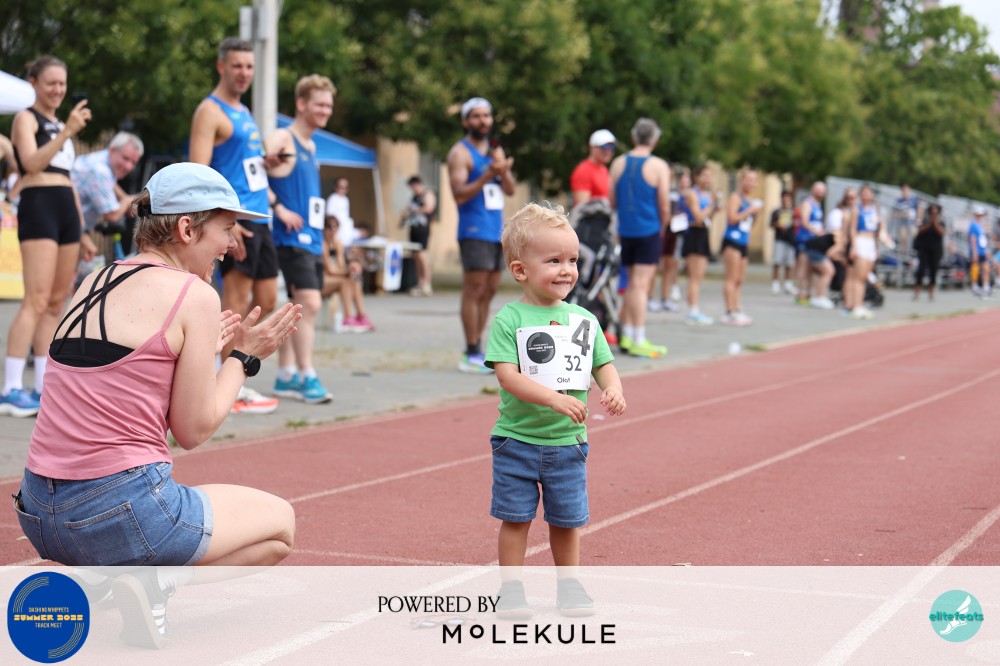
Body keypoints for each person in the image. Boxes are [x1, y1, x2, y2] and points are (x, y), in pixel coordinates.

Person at [12, 162, 301, 646]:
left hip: (39, 512)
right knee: (281, 527)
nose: (233, 244)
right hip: (120, 513)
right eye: (227, 229)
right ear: (187, 228)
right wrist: (243, 359)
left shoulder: (94, 280)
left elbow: (118, 397)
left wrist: (198, 356)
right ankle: (157, 582)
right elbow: (193, 430)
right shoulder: (195, 295)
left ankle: (103, 577)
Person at [484, 202, 625, 618]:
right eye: (554, 261)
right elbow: (508, 376)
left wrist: (614, 388)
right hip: (516, 441)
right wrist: (554, 399)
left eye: (573, 260)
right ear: (520, 270)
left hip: (567, 443)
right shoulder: (509, 319)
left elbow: (603, 364)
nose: (567, 270)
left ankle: (570, 585)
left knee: (566, 521)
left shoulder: (584, 320)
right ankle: (511, 590)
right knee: (515, 519)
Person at [189, 37, 286, 415]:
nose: (244, 73)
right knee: (236, 301)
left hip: (261, 217)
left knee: (267, 300)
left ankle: (235, 378)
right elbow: (199, 175)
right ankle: (224, 387)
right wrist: (224, 224)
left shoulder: (244, 112)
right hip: (237, 221)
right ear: (221, 67)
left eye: (249, 66)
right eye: (237, 66)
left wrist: (266, 162)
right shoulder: (209, 111)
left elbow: (242, 166)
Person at [4, 55, 98, 417]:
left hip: (65, 209)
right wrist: (67, 132)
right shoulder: (26, 119)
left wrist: (83, 230)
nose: (57, 90)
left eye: (62, 83)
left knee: (57, 301)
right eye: (50, 83)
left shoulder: (61, 124)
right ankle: (11, 387)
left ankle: (43, 386)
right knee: (36, 298)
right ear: (34, 83)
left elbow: (68, 178)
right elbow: (31, 163)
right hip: (39, 204)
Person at [265, 74, 336, 404]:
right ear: (301, 104)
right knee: (310, 303)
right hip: (290, 238)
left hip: (311, 238)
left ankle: (286, 375)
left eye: (329, 106)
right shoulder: (284, 137)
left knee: (296, 306)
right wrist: (279, 207)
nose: (325, 111)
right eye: (320, 104)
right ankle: (307, 375)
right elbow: (254, 172)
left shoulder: (311, 146)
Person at [447, 97, 516, 373]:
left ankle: (479, 346)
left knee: (489, 291)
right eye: (476, 116)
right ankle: (470, 350)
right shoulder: (460, 153)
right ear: (466, 121)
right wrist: (489, 173)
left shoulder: (494, 152)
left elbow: (510, 189)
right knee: (474, 289)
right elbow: (458, 194)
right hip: (474, 229)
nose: (483, 120)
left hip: (496, 231)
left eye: (486, 115)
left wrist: (502, 171)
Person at [608, 117, 670, 357]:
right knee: (640, 285)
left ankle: (627, 333)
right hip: (648, 229)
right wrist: (662, 227)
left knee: (632, 282)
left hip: (626, 231)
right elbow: (663, 204)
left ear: (634, 136)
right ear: (655, 139)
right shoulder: (658, 166)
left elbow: (612, 201)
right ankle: (638, 337)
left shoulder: (618, 164)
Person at [72, 131, 144, 262]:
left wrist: (124, 197)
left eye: (134, 163)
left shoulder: (102, 160)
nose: (129, 166)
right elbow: (112, 215)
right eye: (125, 158)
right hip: (65, 226)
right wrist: (127, 200)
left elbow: (110, 184)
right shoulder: (100, 171)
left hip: (72, 226)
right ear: (112, 150)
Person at [324, 179, 374, 331]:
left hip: (333, 275)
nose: (333, 230)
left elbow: (340, 266)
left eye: (335, 227)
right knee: (347, 280)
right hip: (322, 279)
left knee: (355, 278)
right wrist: (347, 271)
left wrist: (350, 269)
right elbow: (329, 270)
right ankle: (348, 317)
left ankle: (361, 314)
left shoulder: (338, 244)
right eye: (329, 227)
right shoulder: (322, 245)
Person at [719, 169, 762, 325]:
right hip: (732, 241)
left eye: (753, 180)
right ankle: (729, 311)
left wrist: (755, 214)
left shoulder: (751, 201)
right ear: (741, 181)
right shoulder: (735, 197)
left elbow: (749, 225)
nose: (751, 183)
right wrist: (749, 210)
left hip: (744, 242)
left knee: (739, 279)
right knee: (730, 278)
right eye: (748, 179)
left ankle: (737, 308)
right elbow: (732, 219)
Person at [678, 165, 716, 326]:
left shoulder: (707, 194)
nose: (708, 179)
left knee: (700, 275)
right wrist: (712, 207)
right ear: (697, 177)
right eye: (704, 175)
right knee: (694, 276)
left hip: (703, 233)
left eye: (710, 176)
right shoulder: (692, 194)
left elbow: (707, 218)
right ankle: (692, 311)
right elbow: (698, 216)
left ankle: (695, 309)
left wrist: (712, 210)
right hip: (693, 234)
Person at [650, 168, 686, 314]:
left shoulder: (676, 191)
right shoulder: (657, 189)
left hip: (673, 231)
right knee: (653, 266)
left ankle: (665, 298)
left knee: (669, 266)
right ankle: (649, 297)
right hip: (659, 230)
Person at [795, 181, 835, 309]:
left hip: (815, 241)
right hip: (805, 239)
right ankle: (800, 293)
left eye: (822, 191)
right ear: (813, 190)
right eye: (818, 190)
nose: (820, 193)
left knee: (811, 269)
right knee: (803, 267)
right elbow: (805, 222)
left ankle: (809, 293)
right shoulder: (807, 203)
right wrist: (816, 231)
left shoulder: (818, 205)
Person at [844, 184, 879, 319]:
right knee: (858, 277)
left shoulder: (874, 209)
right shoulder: (856, 209)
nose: (866, 195)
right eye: (864, 192)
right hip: (861, 241)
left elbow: (877, 229)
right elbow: (852, 230)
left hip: (871, 243)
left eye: (868, 192)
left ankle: (859, 304)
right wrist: (854, 246)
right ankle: (855, 305)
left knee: (864, 277)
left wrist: (876, 246)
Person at [402, 175, 437, 296]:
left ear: (417, 184)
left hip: (423, 229)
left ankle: (427, 283)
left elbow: (429, 208)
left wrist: (415, 211)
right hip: (414, 228)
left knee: (423, 255)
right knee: (416, 256)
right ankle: (420, 282)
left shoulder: (427, 194)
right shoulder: (414, 197)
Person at [569, 129, 616, 206]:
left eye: (612, 147)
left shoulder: (603, 169)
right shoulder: (583, 171)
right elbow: (583, 207)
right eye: (604, 147)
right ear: (592, 148)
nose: (608, 151)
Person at [913, 203, 944, 301]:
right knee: (921, 270)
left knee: (933, 271)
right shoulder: (925, 220)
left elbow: (941, 232)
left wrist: (935, 222)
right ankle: (917, 292)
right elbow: (921, 230)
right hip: (924, 249)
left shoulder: (941, 221)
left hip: (936, 250)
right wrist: (930, 223)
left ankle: (931, 292)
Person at [769, 190, 797, 296]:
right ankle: (775, 283)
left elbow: (797, 224)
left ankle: (788, 284)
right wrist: (779, 224)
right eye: (785, 197)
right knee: (777, 261)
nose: (787, 200)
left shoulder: (793, 212)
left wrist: (794, 223)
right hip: (780, 239)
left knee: (789, 263)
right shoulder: (776, 211)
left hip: (791, 240)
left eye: (788, 197)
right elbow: (771, 224)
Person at [968, 206, 991, 297]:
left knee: (985, 268)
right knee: (975, 268)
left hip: (982, 250)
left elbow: (984, 239)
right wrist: (974, 252)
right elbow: (973, 239)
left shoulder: (981, 225)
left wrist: (986, 250)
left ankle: (985, 286)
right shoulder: (973, 225)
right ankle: (974, 285)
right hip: (976, 251)